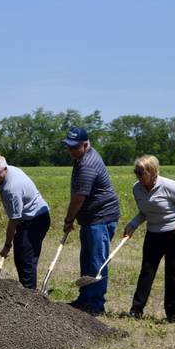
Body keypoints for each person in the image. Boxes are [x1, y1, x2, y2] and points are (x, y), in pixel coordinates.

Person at [124, 155, 175, 322]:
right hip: (153, 233)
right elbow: (144, 212)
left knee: (172, 272)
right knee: (147, 271)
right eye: (136, 172)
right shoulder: (137, 189)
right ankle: (136, 310)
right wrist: (132, 225)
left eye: (141, 172)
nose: (138, 176)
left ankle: (171, 313)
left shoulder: (169, 186)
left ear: (152, 172)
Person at [62, 126, 121, 315]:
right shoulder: (82, 157)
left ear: (85, 145)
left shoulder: (87, 164)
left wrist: (69, 219)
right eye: (69, 146)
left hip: (101, 218)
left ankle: (95, 304)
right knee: (87, 260)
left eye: (74, 147)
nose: (70, 150)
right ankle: (85, 298)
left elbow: (79, 197)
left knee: (97, 262)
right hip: (91, 219)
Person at [0, 155, 51, 288]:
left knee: (25, 258)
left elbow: (13, 220)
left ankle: (29, 294)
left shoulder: (11, 189)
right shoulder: (10, 170)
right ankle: (28, 289)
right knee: (24, 257)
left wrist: (7, 245)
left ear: (4, 169)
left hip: (35, 221)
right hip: (33, 218)